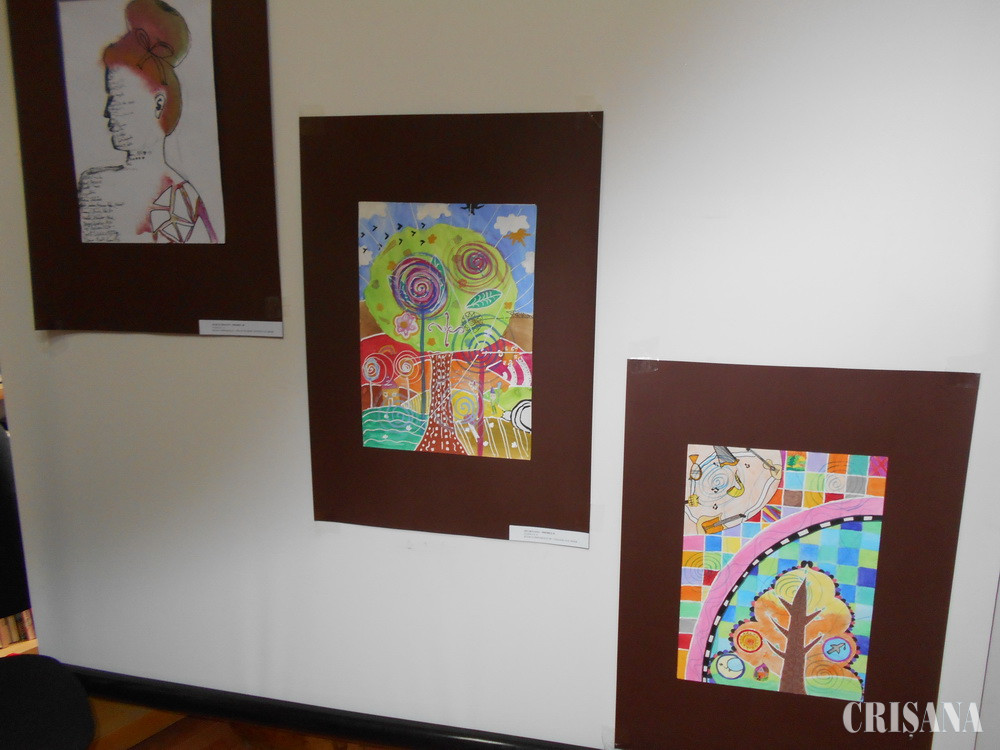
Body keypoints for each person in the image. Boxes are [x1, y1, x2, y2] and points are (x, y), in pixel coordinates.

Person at [77, 0, 217, 243]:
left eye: (118, 97)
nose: (107, 112)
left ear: (158, 104)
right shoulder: (92, 186)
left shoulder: (180, 199)